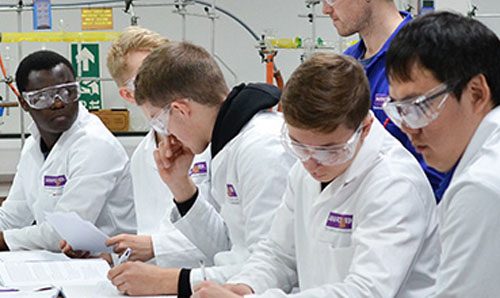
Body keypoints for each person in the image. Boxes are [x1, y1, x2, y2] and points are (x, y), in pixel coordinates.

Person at [192, 52, 440, 298]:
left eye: (329, 150)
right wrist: (245, 285)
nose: (312, 163)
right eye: (298, 145)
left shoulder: (394, 184)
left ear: (364, 128)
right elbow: (278, 254)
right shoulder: (305, 169)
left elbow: (365, 292)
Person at [106, 41, 296, 296]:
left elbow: (273, 267)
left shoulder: (262, 148)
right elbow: (226, 247)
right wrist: (181, 187)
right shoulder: (229, 143)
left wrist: (172, 280)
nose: (166, 135)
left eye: (160, 123)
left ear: (181, 110)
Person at [384, 12, 500, 297]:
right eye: (399, 111)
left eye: (418, 106)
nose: (409, 129)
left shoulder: (481, 187)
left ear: (476, 93)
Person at [0, 50, 136, 251]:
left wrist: (3, 240)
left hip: (109, 266)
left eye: (67, 91)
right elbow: (13, 215)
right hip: (65, 263)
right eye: (42, 97)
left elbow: (64, 233)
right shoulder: (33, 146)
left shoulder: (95, 144)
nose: (58, 103)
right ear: (24, 103)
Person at [102, 26, 214, 268]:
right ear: (128, 95)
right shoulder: (142, 157)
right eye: (146, 78)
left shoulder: (211, 143)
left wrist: (155, 247)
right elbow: (148, 232)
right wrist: (113, 255)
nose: (161, 83)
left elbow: (226, 242)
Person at [322, 0, 444, 198]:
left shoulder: (424, 57)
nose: (326, 9)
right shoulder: (347, 63)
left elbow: (440, 167)